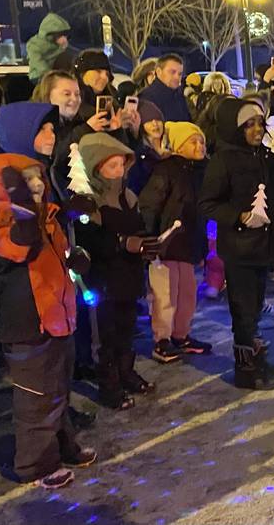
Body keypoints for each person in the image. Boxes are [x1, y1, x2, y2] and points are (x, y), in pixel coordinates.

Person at [0, 153, 96, 489]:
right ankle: (35, 464)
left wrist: (75, 259)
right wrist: (22, 211)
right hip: (28, 325)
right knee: (36, 397)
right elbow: (18, 247)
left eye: (39, 178)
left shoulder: (48, 219)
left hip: (58, 318)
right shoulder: (3, 226)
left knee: (58, 389)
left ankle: (61, 445)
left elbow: (57, 257)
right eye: (27, 181)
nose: (38, 185)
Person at [198, 98, 274, 390]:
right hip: (239, 247)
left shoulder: (264, 157)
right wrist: (238, 216)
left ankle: (257, 357)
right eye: (248, 124)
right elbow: (208, 203)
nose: (255, 129)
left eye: (259, 123)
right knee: (243, 309)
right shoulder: (223, 161)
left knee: (256, 304)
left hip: (263, 245)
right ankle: (245, 367)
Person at [74, 133, 158, 410]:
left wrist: (148, 243)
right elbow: (90, 240)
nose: (119, 171)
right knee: (106, 336)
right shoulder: (88, 203)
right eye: (112, 166)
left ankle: (127, 373)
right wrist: (122, 242)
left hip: (128, 276)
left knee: (126, 329)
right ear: (96, 168)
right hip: (104, 279)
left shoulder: (128, 196)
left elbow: (137, 226)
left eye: (121, 165)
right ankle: (109, 385)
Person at [139, 122, 211, 364]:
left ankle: (181, 335)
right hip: (167, 243)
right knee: (165, 294)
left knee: (187, 294)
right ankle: (162, 340)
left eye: (201, 141)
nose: (199, 145)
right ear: (179, 145)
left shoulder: (202, 170)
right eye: (193, 141)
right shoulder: (166, 170)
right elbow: (151, 203)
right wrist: (150, 237)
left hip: (188, 243)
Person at [127, 100, 168, 195]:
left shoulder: (172, 143)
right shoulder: (139, 151)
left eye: (158, 119)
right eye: (148, 121)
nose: (155, 124)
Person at [138, 54, 191, 123]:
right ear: (159, 71)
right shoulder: (146, 97)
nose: (177, 77)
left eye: (180, 74)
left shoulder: (179, 96)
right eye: (172, 72)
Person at [26, 13, 71, 84]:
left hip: (55, 74)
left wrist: (62, 48)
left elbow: (60, 60)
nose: (63, 37)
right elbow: (38, 62)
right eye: (60, 34)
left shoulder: (56, 45)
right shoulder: (34, 44)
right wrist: (50, 74)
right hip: (38, 76)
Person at [73, 49, 118, 120]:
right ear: (82, 74)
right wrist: (88, 127)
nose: (104, 77)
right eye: (98, 71)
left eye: (107, 74)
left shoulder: (114, 105)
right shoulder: (68, 104)